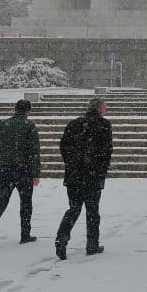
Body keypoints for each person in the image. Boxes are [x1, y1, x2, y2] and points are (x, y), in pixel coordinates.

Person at [55, 98, 113, 259]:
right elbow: (107, 152)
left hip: (74, 175)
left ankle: (62, 238)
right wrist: (100, 171)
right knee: (92, 211)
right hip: (93, 176)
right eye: (104, 108)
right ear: (100, 109)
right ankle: (92, 244)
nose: (105, 111)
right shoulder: (104, 125)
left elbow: (63, 146)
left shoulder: (74, 124)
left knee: (73, 209)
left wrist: (71, 164)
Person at [0, 99, 41, 249]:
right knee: (26, 202)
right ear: (28, 111)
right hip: (24, 170)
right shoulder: (29, 125)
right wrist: (35, 173)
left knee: (1, 200)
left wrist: (0, 160)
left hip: (5, 169)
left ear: (15, 109)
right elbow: (34, 151)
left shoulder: (2, 124)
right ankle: (25, 234)